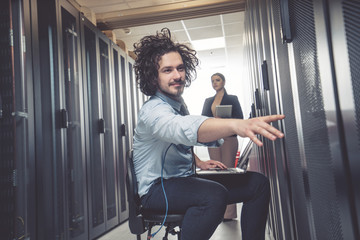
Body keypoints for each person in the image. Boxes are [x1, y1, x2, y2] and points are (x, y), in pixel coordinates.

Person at [132, 28, 285, 240]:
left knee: (257, 184)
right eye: (167, 70)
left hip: (182, 180)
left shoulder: (177, 104)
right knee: (213, 195)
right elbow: (177, 128)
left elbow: (176, 141)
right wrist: (236, 125)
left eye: (180, 68)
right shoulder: (153, 111)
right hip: (156, 191)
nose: (177, 75)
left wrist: (199, 162)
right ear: (153, 76)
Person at [201, 72, 243, 221]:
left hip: (229, 138)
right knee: (216, 174)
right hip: (213, 139)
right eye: (212, 81)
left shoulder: (232, 99)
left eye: (217, 80)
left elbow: (240, 118)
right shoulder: (208, 101)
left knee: (228, 172)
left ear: (224, 82)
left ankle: (229, 214)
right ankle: (218, 211)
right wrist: (213, 119)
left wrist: (224, 118)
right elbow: (203, 120)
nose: (215, 83)